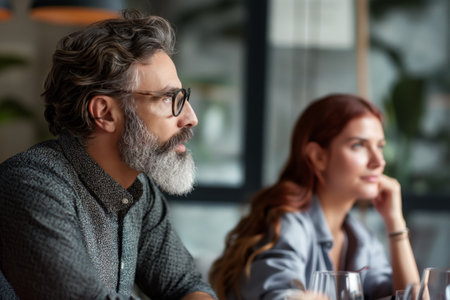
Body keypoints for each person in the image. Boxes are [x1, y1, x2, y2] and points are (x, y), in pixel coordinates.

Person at [0, 9, 216, 300]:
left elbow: (186, 285)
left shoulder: (141, 192)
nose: (191, 118)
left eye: (182, 98)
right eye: (168, 99)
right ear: (104, 112)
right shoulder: (31, 184)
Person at [209, 94, 420, 300]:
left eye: (380, 146)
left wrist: (395, 222)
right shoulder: (288, 224)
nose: (378, 162)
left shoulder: (360, 238)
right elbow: (280, 294)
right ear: (318, 157)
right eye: (358, 145)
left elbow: (411, 297)